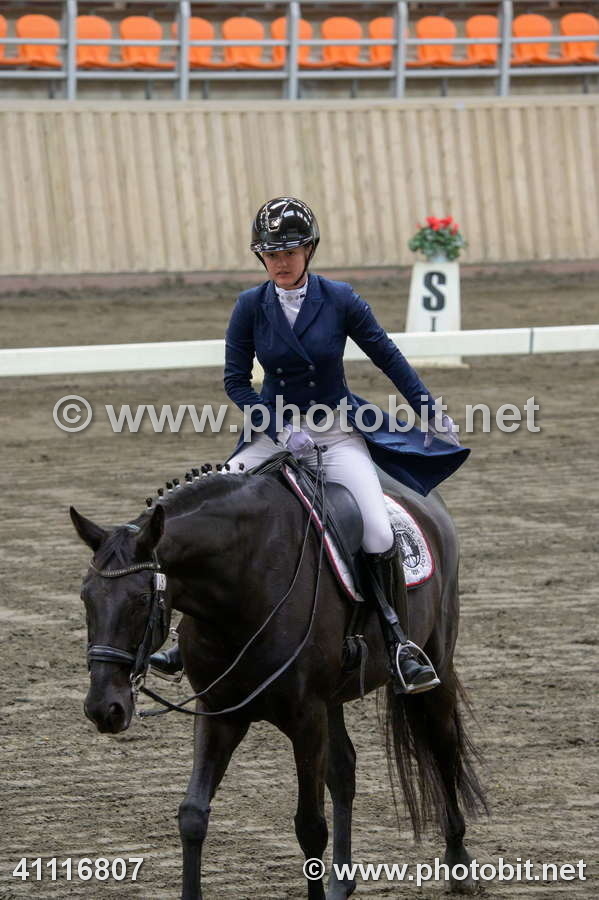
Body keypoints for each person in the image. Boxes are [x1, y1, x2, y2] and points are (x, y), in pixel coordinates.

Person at [151, 197, 469, 694]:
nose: (280, 262)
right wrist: (278, 427)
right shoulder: (250, 305)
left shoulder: (339, 299)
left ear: (309, 250)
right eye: (271, 254)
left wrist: (428, 408)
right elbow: (236, 382)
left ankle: (398, 640)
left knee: (378, 532)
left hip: (335, 434)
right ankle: (184, 633)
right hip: (271, 436)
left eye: (289, 252)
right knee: (213, 512)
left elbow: (387, 356)